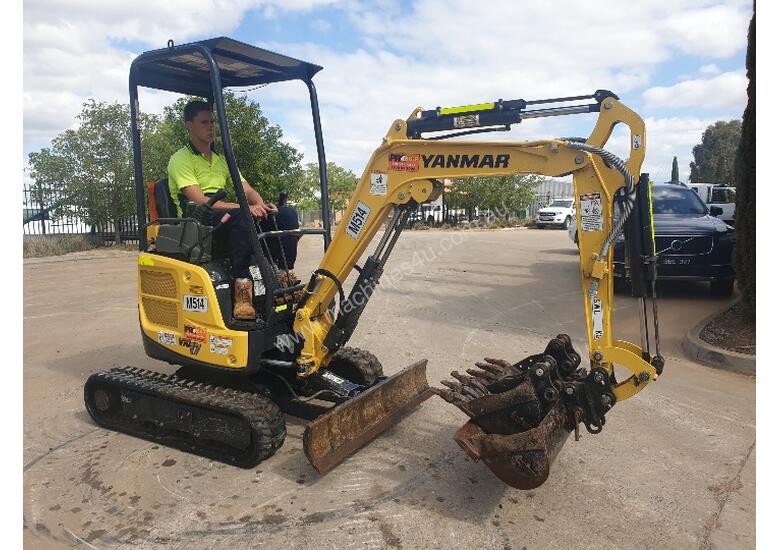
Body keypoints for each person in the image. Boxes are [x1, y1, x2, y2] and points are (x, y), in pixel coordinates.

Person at [167, 100, 300, 320]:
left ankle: (283, 276)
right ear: (189, 125)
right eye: (204, 122)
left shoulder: (221, 159)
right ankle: (242, 290)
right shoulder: (180, 159)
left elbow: (246, 189)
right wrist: (247, 209)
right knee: (242, 216)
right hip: (198, 220)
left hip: (225, 215)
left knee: (286, 215)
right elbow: (199, 200)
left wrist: (260, 203)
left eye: (212, 122)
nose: (211, 127)